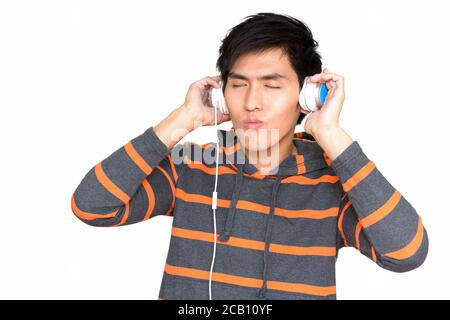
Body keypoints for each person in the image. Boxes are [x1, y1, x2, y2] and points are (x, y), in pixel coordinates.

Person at [71, 12, 428, 300]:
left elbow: (406, 253)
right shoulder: (193, 165)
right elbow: (92, 206)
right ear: (223, 94)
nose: (252, 102)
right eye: (239, 84)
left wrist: (331, 134)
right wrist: (183, 120)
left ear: (308, 96)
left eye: (272, 85)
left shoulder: (332, 183)